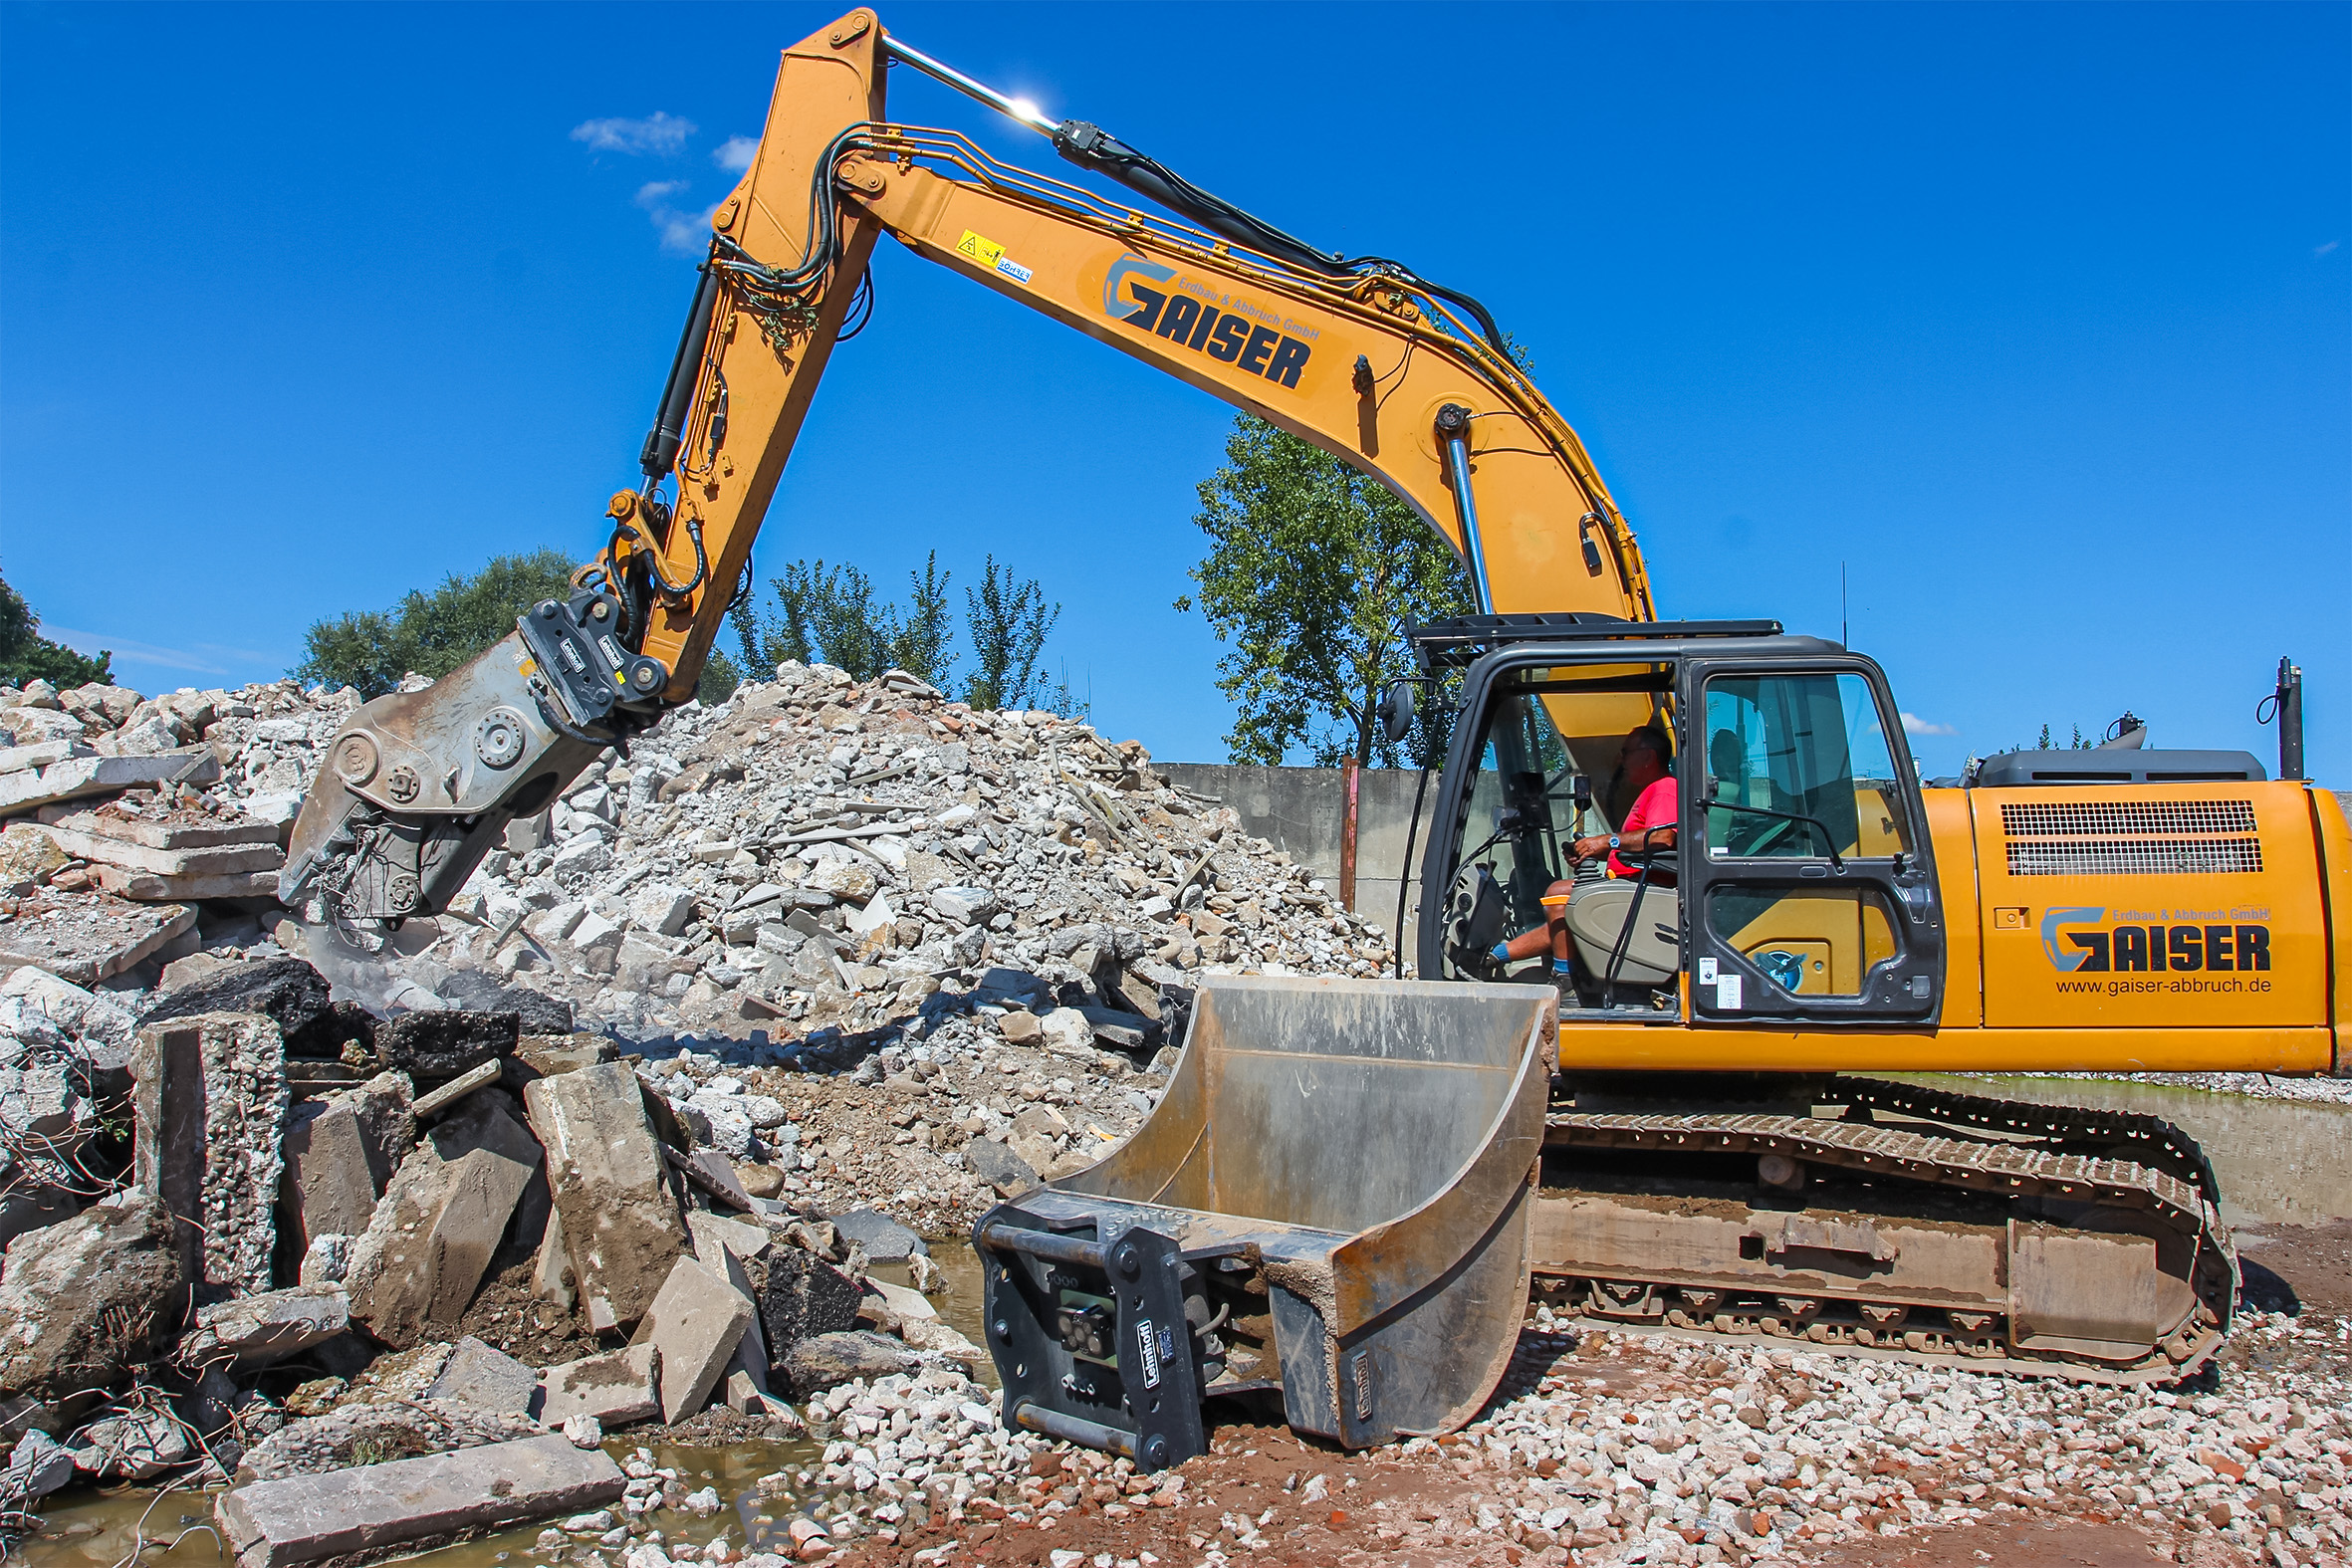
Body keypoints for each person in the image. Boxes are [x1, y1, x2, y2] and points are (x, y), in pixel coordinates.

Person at [1489, 725, 1678, 972]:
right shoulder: (1652, 791)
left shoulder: (1664, 789)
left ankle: (1564, 975)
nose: (1621, 760)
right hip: (1632, 882)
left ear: (1648, 756)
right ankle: (1494, 957)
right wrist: (1592, 849)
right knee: (1561, 919)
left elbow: (1662, 838)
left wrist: (1607, 841)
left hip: (1644, 887)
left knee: (1559, 892)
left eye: (1625, 751)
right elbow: (1638, 845)